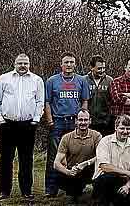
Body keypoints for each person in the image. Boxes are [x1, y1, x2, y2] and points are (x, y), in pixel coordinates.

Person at [0, 53, 45, 202]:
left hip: (28, 125)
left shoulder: (37, 80)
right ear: (14, 64)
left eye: (25, 63)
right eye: (20, 63)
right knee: (6, 159)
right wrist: (0, 119)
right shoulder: (3, 79)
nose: (23, 66)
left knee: (26, 159)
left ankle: (26, 191)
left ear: (29, 64)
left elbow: (40, 101)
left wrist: (36, 120)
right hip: (7, 124)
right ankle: (4, 190)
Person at [44, 51, 91, 197]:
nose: (69, 65)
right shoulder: (52, 81)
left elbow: (84, 101)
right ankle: (51, 189)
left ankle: (72, 187)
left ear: (75, 64)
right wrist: (50, 120)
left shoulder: (81, 81)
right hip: (58, 121)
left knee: (74, 155)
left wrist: (83, 119)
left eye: (71, 62)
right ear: (61, 64)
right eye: (66, 62)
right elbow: (47, 102)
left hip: (74, 122)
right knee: (54, 156)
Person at [53, 110, 102, 203]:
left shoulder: (97, 136)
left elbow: (101, 156)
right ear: (76, 121)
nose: (83, 122)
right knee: (59, 174)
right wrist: (68, 172)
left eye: (85, 120)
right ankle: (72, 192)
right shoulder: (66, 138)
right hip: (74, 170)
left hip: (90, 169)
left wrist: (85, 164)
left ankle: (90, 191)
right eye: (80, 120)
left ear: (90, 121)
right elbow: (56, 163)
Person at [86, 55, 115, 136]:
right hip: (89, 122)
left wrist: (109, 118)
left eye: (103, 68)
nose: (102, 71)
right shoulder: (84, 80)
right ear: (91, 67)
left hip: (105, 122)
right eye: (99, 68)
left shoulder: (109, 80)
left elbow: (112, 100)